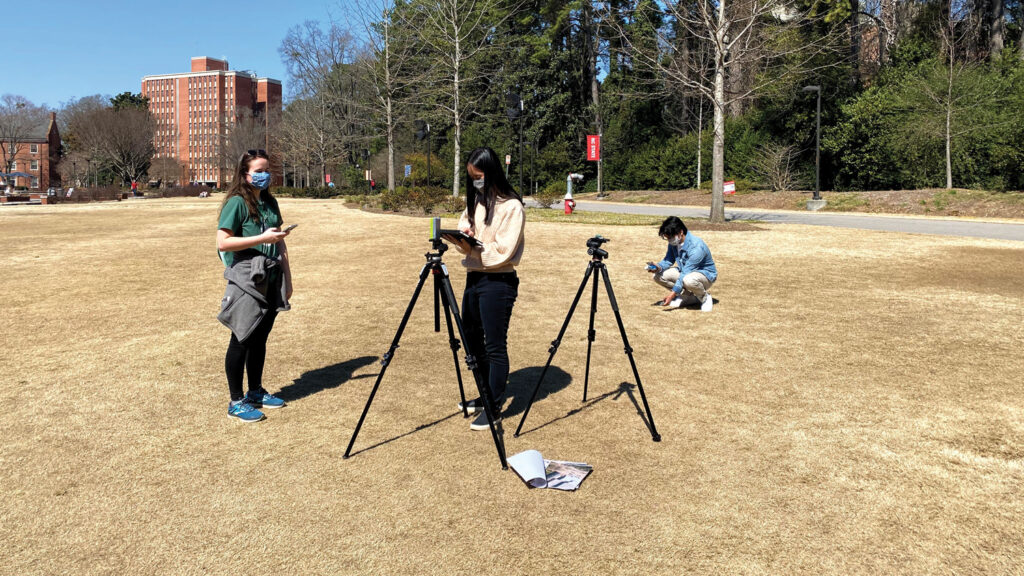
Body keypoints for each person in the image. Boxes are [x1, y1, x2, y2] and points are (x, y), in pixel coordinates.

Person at [443, 147, 525, 431]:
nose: (475, 182)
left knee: (494, 345)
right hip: (474, 278)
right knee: (473, 341)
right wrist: (463, 239)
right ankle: (484, 394)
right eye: (471, 177)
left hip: (498, 281)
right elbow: (464, 227)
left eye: (478, 177)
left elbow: (504, 251)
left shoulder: (512, 206)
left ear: (491, 173)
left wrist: (476, 248)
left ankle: (494, 406)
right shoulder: (477, 202)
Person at [216, 149, 293, 422]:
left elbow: (279, 240)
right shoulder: (236, 203)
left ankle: (256, 392)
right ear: (245, 174)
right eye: (258, 171)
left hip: (271, 277)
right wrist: (261, 238)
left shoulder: (270, 202)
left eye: (266, 170)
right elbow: (223, 242)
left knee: (260, 338)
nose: (264, 175)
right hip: (246, 277)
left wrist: (287, 276)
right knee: (242, 337)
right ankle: (236, 401)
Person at [647, 216, 717, 312]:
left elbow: (686, 272)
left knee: (688, 279)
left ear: (681, 232)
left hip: (705, 276)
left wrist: (672, 295)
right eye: (667, 238)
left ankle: (705, 297)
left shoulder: (697, 247)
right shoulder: (674, 243)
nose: (669, 240)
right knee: (658, 276)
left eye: (670, 237)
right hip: (686, 272)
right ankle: (691, 297)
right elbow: (668, 260)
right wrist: (658, 267)